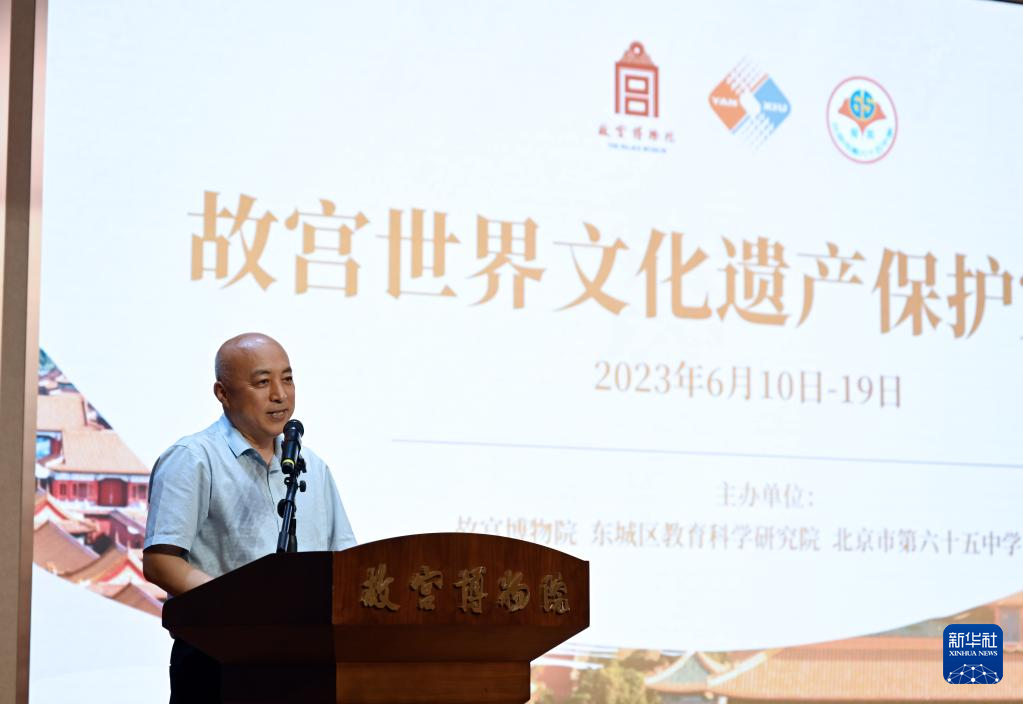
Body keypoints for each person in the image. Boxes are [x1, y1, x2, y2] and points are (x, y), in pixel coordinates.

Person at [142, 332, 356, 703]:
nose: (280, 394)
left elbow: (345, 562)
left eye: (287, 379)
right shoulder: (194, 458)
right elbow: (161, 562)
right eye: (262, 382)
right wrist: (241, 608)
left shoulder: (313, 467)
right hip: (218, 659)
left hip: (307, 660)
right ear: (222, 393)